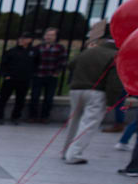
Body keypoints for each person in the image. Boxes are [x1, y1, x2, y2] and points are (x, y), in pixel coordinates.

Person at [61, 22, 119, 165]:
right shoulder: (115, 55)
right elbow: (114, 82)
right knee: (89, 123)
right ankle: (74, 154)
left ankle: (66, 150)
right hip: (96, 92)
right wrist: (112, 102)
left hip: (76, 89)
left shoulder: (90, 50)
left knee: (74, 120)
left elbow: (71, 64)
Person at [0, 31, 38, 124]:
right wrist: (5, 75)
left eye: (25, 38)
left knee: (20, 99)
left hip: (24, 79)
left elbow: (37, 64)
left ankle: (15, 117)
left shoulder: (33, 52)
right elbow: (3, 64)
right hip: (11, 78)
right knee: (3, 98)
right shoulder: (11, 51)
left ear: (30, 40)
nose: (22, 40)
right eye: (21, 38)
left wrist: (31, 75)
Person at [28, 27, 67, 123]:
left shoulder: (60, 48)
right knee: (34, 96)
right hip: (38, 75)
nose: (49, 37)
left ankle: (45, 116)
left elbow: (63, 61)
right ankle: (33, 116)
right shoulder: (38, 47)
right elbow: (31, 61)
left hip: (51, 76)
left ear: (55, 37)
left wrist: (56, 72)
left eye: (51, 35)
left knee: (49, 98)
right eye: (47, 35)